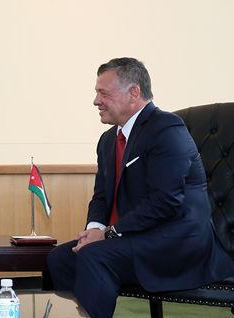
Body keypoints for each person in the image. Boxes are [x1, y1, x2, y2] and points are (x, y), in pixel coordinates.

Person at [47, 57, 234, 318]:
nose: (96, 101)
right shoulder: (108, 140)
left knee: (95, 257)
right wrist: (94, 230)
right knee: (61, 258)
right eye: (96, 93)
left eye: (103, 93)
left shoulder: (166, 129)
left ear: (134, 93)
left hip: (177, 242)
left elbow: (165, 201)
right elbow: (101, 196)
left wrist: (109, 234)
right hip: (134, 237)